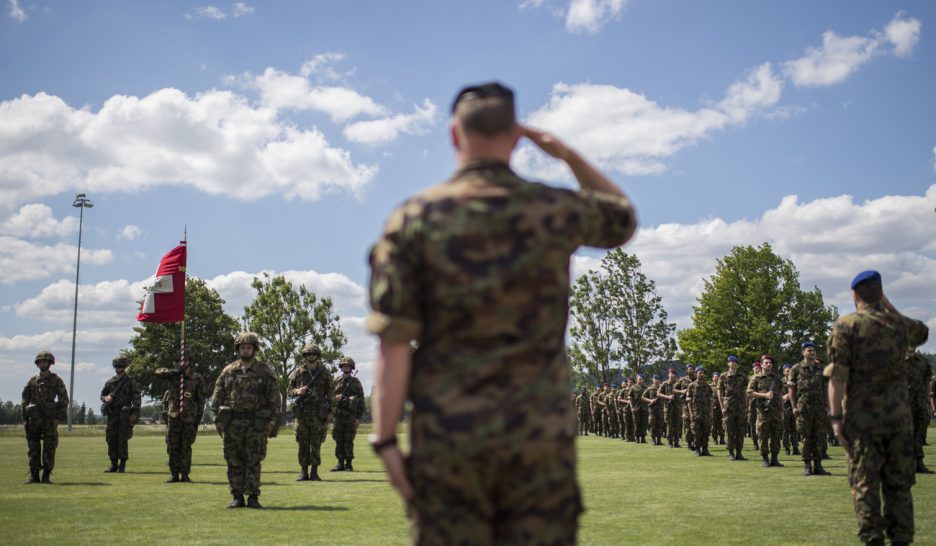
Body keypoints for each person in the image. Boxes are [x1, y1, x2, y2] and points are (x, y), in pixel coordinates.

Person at [367, 81, 637, 544]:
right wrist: (565, 154)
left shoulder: (414, 219)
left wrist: (386, 439)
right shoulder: (551, 208)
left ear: (454, 135)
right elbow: (621, 217)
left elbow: (394, 342)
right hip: (538, 440)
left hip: (449, 439)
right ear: (516, 138)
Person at [826, 270, 928, 546]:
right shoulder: (897, 325)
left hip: (863, 423)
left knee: (865, 488)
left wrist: (836, 419)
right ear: (880, 293)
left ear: (855, 295)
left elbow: (838, 377)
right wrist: (888, 305)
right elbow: (922, 333)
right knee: (899, 489)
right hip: (898, 422)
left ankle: (873, 541)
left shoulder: (847, 325)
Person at [212, 332, 280, 509]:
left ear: (254, 349)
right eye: (242, 347)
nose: (245, 350)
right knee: (233, 460)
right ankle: (237, 496)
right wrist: (216, 420)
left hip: (255, 424)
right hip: (233, 424)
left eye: (249, 347)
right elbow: (217, 396)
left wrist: (271, 422)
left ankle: (252, 497)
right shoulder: (228, 371)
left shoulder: (264, 371)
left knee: (253, 461)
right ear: (238, 349)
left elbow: (274, 399)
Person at [155, 349, 208, 482]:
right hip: (174, 415)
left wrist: (198, 418)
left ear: (190, 361)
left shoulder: (197, 378)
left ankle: (185, 474)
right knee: (173, 445)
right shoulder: (173, 376)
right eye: (179, 360)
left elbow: (201, 400)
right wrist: (175, 372)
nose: (182, 362)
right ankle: (174, 474)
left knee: (186, 446)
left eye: (185, 360)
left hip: (190, 417)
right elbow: (157, 372)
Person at [287, 343, 333, 482]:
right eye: (308, 354)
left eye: (313, 354)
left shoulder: (325, 372)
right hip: (302, 414)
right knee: (302, 443)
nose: (311, 356)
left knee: (316, 443)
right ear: (305, 356)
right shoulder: (298, 372)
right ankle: (303, 471)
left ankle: (314, 471)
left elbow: (331, 393)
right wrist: (297, 391)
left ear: (317, 355)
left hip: (318, 413)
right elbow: (289, 390)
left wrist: (331, 412)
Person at [21, 351, 68, 484]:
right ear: (37, 364)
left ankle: (46, 476)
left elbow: (64, 399)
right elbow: (25, 399)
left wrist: (57, 418)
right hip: (33, 420)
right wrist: (24, 418)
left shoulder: (56, 380)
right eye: (40, 361)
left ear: (50, 363)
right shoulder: (32, 381)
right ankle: (34, 476)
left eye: (45, 361)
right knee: (33, 449)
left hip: (49, 420)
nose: (42, 363)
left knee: (49, 448)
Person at [788, 342, 829, 476]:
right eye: (809, 350)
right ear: (803, 353)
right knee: (805, 437)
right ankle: (807, 465)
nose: (812, 353)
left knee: (818, 436)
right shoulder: (796, 368)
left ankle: (818, 465)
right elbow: (792, 389)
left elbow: (826, 389)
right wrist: (794, 407)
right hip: (803, 407)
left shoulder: (822, 369)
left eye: (813, 351)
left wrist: (828, 406)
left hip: (819, 408)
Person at [101, 354, 141, 473]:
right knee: (111, 438)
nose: (119, 368)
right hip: (112, 414)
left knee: (122, 439)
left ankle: (122, 464)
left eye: (121, 366)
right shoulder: (110, 383)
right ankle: (113, 464)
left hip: (124, 415)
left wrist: (134, 414)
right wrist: (106, 398)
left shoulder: (130, 381)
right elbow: (102, 395)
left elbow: (137, 399)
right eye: (117, 366)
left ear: (125, 366)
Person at [748, 355, 784, 468]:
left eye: (770, 363)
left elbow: (780, 395)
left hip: (776, 411)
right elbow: (749, 392)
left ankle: (774, 458)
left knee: (776, 435)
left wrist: (782, 410)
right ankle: (765, 458)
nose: (769, 364)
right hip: (763, 412)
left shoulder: (777, 379)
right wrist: (764, 395)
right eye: (767, 362)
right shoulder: (756, 378)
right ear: (762, 364)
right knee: (763, 436)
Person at [332, 357, 365, 471]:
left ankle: (349, 464)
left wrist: (358, 418)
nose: (346, 367)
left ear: (351, 368)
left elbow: (361, 401)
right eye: (344, 366)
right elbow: (329, 397)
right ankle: (340, 463)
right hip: (338, 415)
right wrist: (335, 398)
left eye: (348, 366)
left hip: (350, 416)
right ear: (341, 367)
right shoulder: (336, 381)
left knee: (348, 439)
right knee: (338, 439)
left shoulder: (356, 382)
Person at [905, 346, 933, 473]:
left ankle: (918, 462)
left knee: (919, 433)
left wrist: (927, 401)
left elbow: (927, 381)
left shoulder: (922, 361)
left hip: (920, 404)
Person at [718, 355, 748, 460]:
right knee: (729, 430)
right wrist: (722, 405)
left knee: (740, 430)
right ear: (728, 363)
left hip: (740, 407)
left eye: (735, 362)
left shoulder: (742, 376)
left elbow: (745, 392)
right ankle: (731, 452)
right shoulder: (723, 376)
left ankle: (739, 453)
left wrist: (746, 405)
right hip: (728, 407)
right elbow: (719, 391)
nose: (733, 363)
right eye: (731, 361)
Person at [686, 367, 713, 456]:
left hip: (706, 413)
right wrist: (690, 413)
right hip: (696, 412)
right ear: (696, 374)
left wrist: (711, 412)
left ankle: (705, 449)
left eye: (702, 373)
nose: (701, 374)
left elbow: (711, 400)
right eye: (699, 373)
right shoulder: (691, 386)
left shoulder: (708, 386)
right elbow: (689, 400)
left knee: (706, 432)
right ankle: (697, 449)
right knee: (696, 432)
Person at [656, 368, 681, 448]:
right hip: (668, 407)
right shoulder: (664, 384)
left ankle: (676, 442)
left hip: (677, 407)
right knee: (669, 425)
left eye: (674, 374)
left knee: (677, 425)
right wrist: (667, 397)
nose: (672, 375)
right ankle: (670, 442)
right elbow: (658, 394)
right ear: (668, 374)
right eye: (671, 373)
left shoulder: (678, 383)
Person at [675, 364, 695, 450]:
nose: (690, 370)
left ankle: (696, 442)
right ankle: (689, 443)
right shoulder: (683, 380)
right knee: (687, 424)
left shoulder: (697, 379)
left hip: (697, 405)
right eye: (689, 369)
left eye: (692, 369)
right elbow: (673, 389)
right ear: (687, 370)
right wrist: (681, 391)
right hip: (685, 405)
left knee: (696, 424)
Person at [643, 375, 664, 446]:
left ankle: (659, 440)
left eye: (658, 379)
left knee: (660, 424)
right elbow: (642, 397)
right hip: (652, 410)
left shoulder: (662, 388)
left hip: (660, 409)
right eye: (655, 379)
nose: (656, 380)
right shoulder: (649, 388)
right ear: (653, 380)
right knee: (652, 424)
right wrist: (650, 400)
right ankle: (653, 439)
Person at [711, 371, 724, 445]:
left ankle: (722, 438)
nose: (716, 378)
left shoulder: (722, 386)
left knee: (722, 423)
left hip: (721, 406)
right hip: (713, 407)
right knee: (714, 424)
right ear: (712, 378)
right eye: (715, 377)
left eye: (717, 377)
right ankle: (715, 439)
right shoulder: (710, 386)